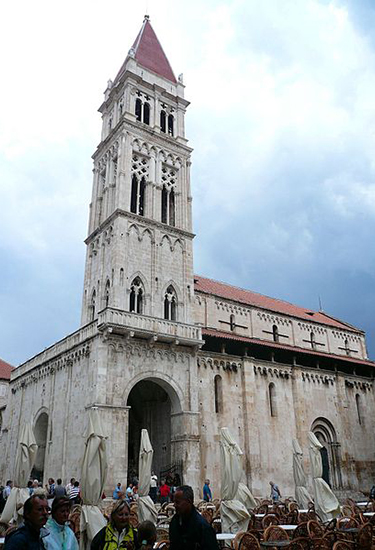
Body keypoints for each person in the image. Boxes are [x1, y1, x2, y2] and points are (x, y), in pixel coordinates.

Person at [170, 485, 219, 550]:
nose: (174, 505)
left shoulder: (202, 527)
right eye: (174, 502)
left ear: (189, 501)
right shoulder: (174, 521)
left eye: (178, 502)